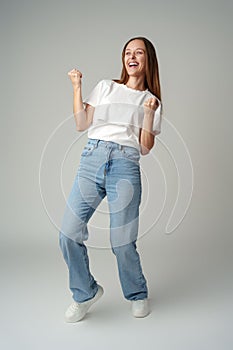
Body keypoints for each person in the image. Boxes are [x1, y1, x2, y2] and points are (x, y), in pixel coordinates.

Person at [59, 36, 163, 322]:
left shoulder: (151, 101)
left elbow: (144, 147)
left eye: (139, 53)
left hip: (125, 166)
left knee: (122, 241)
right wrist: (77, 87)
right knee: (68, 233)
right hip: (92, 158)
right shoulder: (106, 86)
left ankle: (137, 293)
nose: (132, 56)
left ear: (147, 60)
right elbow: (82, 124)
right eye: (128, 52)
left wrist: (147, 115)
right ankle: (85, 292)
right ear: (123, 59)